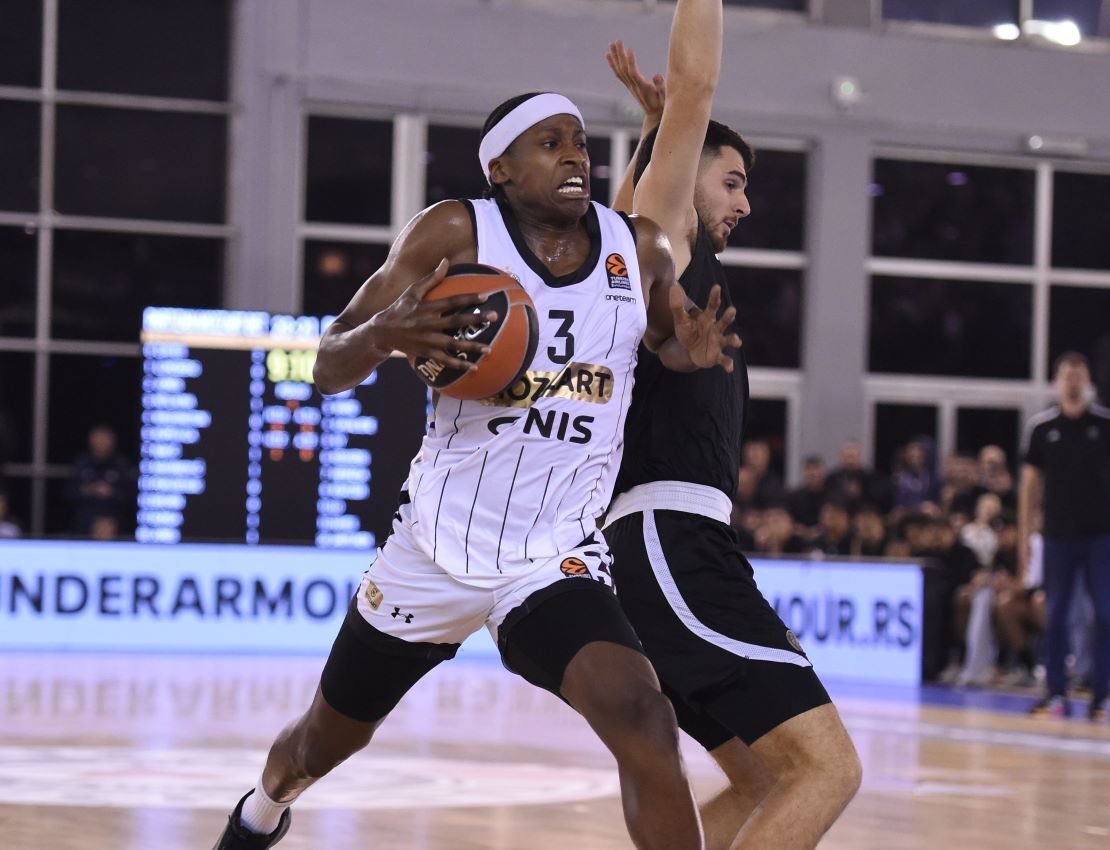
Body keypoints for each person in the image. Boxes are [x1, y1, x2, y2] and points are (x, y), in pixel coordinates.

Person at [211, 91, 742, 850]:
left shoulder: (641, 249)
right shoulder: (456, 232)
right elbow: (327, 365)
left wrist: (679, 354)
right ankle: (260, 813)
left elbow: (663, 336)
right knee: (320, 746)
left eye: (580, 143)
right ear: (500, 167)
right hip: (435, 547)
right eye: (549, 143)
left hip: (552, 558)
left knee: (647, 721)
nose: (573, 156)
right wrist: (384, 333)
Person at [601, 4, 861, 849]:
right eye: (734, 179)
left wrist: (649, 133)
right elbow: (699, 84)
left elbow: (621, 226)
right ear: (688, 174)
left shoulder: (640, 260)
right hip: (669, 542)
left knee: (758, 778)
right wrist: (674, 115)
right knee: (828, 770)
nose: (745, 202)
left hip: (664, 549)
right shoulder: (668, 248)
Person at [1019, 352, 1110, 721]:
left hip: (1100, 537)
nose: (1073, 382)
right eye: (1067, 375)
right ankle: (1055, 694)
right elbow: (1030, 489)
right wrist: (1024, 538)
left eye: (1079, 375)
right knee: (1056, 616)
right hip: (1058, 537)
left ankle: (1100, 698)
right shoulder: (1042, 428)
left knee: (1104, 615)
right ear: (1056, 382)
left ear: (1089, 381)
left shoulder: (1109, 424)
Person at [66, 424, 134, 536]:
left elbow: (130, 495)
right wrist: (88, 490)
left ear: (112, 442)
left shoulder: (121, 464)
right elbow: (70, 492)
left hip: (113, 520)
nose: (101, 443)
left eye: (105, 439)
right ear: (91, 441)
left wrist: (111, 492)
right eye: (98, 439)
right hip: (85, 521)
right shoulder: (82, 463)